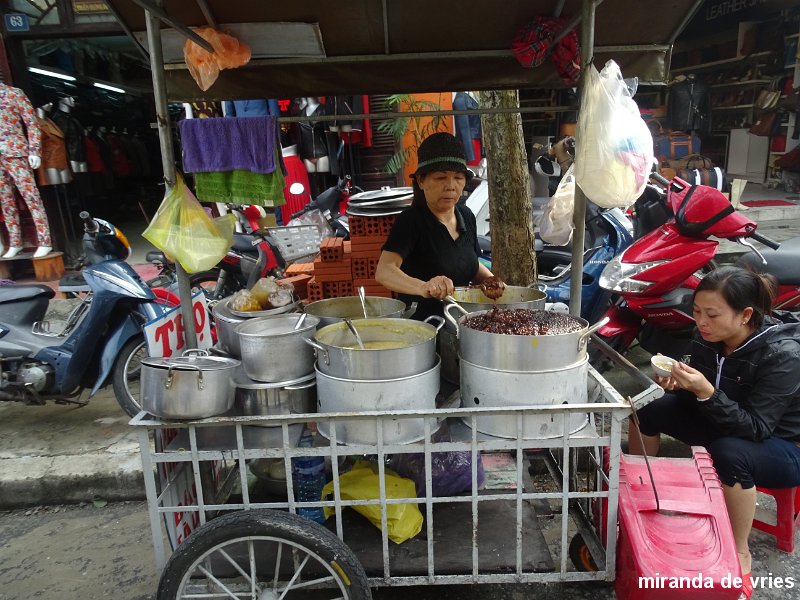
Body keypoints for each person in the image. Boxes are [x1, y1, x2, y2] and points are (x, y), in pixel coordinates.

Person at [629, 266, 800, 600]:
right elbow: (706, 395)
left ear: (745, 314)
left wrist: (706, 391)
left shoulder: (784, 355)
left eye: (711, 314)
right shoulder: (708, 337)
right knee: (647, 405)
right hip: (723, 422)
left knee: (730, 453)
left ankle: (739, 551)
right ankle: (640, 497)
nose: (701, 322)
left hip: (781, 445)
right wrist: (677, 386)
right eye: (696, 312)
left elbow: (756, 428)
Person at [375, 131, 500, 320]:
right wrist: (423, 287)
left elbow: (471, 264)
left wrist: (491, 280)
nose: (451, 186)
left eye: (458, 178)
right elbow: (384, 271)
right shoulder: (411, 220)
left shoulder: (466, 216)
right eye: (441, 178)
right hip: (423, 329)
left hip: (462, 322)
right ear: (421, 180)